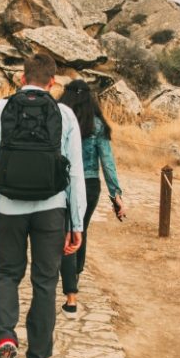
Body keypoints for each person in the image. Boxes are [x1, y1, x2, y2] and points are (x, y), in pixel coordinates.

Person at [0, 53, 86, 358]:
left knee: (6, 274)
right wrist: (76, 223)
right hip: (51, 209)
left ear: (21, 79)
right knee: (45, 283)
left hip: (8, 207)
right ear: (53, 84)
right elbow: (75, 172)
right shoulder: (64, 115)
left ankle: (5, 337)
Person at [57, 80, 126, 318]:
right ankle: (74, 274)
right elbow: (107, 162)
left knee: (64, 230)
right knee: (80, 228)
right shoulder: (97, 125)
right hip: (89, 184)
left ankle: (69, 287)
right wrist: (116, 195)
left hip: (61, 182)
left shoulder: (59, 119)